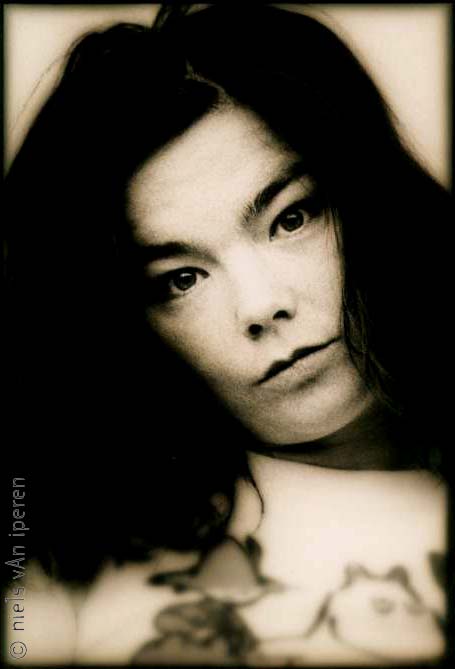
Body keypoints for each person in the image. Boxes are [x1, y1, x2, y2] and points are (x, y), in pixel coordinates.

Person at [3, 4, 451, 666]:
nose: (261, 305)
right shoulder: (61, 553)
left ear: (368, 198)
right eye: (181, 279)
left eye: (290, 218)